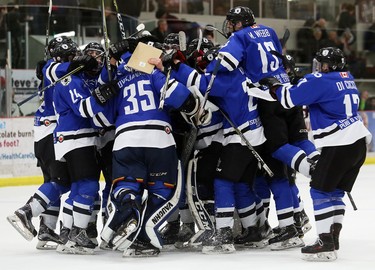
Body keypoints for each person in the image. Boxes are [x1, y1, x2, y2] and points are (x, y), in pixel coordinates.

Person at [261, 47, 372, 261]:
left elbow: (287, 99)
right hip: (359, 143)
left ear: (328, 65)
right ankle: (333, 236)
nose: (318, 66)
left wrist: (274, 85)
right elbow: (322, 91)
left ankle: (324, 242)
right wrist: (301, 81)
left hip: (340, 143)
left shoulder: (319, 80)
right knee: (336, 192)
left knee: (319, 191)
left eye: (321, 63)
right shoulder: (347, 77)